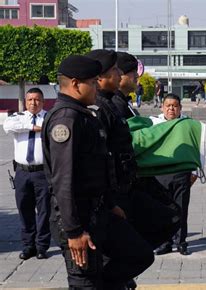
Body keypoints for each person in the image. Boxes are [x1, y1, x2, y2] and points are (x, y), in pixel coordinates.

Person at [42, 55, 153, 289]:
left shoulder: (83, 114)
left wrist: (111, 204)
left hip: (99, 211)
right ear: (74, 84)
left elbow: (97, 169)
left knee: (140, 254)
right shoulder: (67, 119)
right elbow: (64, 180)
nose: (96, 87)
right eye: (92, 83)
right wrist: (73, 232)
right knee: (85, 283)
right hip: (78, 221)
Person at [85, 49, 137, 217]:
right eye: (115, 69)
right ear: (99, 77)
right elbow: (100, 159)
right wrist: (110, 202)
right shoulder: (98, 108)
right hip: (110, 195)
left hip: (121, 188)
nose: (120, 73)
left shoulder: (108, 102)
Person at [3, 88, 51, 260]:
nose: (33, 103)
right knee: (24, 210)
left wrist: (41, 127)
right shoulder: (19, 117)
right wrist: (32, 127)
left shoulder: (49, 118)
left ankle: (42, 246)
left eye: (37, 100)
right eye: (30, 99)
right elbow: (8, 125)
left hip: (42, 172)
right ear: (25, 101)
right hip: (22, 172)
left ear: (43, 101)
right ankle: (28, 245)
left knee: (44, 210)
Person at [150, 94, 198, 256]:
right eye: (168, 106)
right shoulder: (154, 123)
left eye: (175, 106)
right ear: (162, 107)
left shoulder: (187, 125)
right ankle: (164, 243)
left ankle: (181, 241)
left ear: (180, 108)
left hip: (181, 173)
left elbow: (198, 148)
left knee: (181, 208)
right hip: (160, 173)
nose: (171, 109)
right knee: (162, 210)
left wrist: (195, 171)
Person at [113, 51, 139, 119]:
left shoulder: (123, 101)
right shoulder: (114, 104)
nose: (137, 75)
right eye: (132, 71)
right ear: (119, 74)